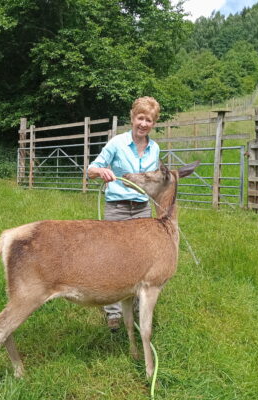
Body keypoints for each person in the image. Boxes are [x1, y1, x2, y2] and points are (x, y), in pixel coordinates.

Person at [87, 96, 161, 331]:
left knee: (142, 258)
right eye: (140, 118)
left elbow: (153, 181)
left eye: (148, 120)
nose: (143, 124)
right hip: (117, 208)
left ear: (153, 123)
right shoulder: (117, 144)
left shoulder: (154, 148)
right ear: (132, 118)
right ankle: (113, 312)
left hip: (142, 209)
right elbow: (90, 170)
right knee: (113, 259)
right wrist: (102, 172)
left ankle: (140, 306)